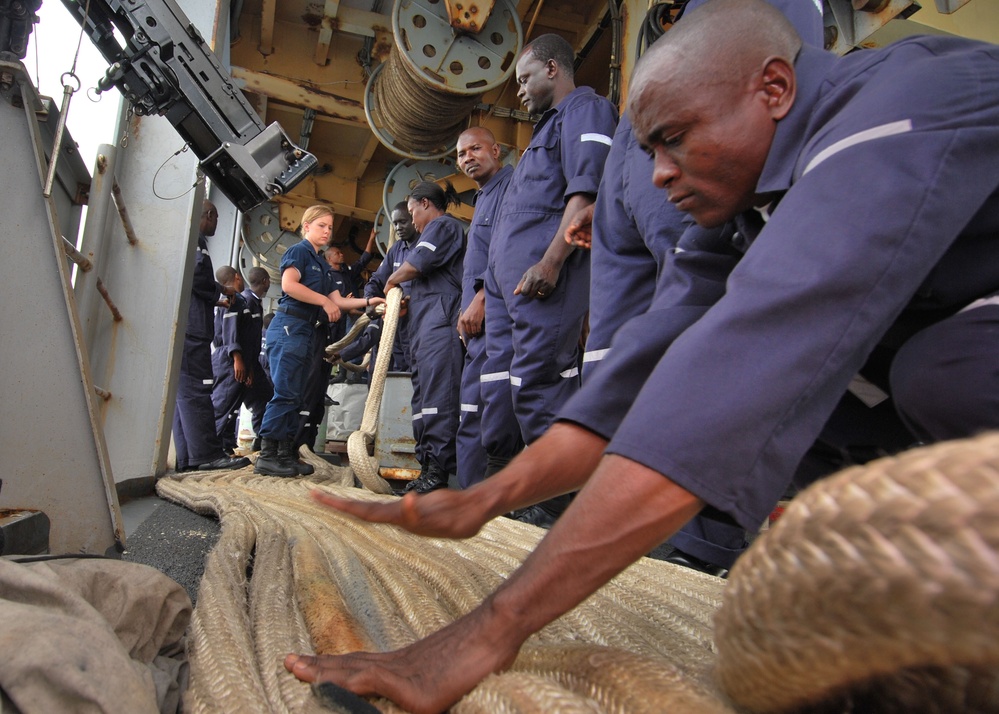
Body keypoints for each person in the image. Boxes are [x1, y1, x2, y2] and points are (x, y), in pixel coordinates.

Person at [283, 1, 999, 709]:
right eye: (649, 149)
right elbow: (651, 367)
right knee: (821, 397)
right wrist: (489, 496)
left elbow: (741, 368)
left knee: (934, 376)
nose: (656, 174)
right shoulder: (743, 207)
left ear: (773, 89)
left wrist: (487, 631)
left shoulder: (899, 105)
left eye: (675, 139)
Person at [564, 0, 824, 575]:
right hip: (642, 146)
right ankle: (615, 515)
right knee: (615, 348)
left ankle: (703, 546)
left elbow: (774, 68)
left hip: (699, 130)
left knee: (700, 330)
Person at [479, 34, 617, 523]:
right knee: (515, 381)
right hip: (512, 286)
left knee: (542, 380)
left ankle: (559, 502)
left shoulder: (586, 110)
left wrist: (553, 261)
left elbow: (586, 193)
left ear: (554, 69)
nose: (519, 90)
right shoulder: (544, 131)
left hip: (545, 281)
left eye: (525, 78)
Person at [254, 205, 383, 477]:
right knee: (286, 392)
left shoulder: (322, 264)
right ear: (306, 227)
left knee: (298, 394)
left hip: (306, 331)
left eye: (329, 227)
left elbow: (338, 300)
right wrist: (323, 301)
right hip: (290, 326)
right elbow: (289, 285)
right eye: (321, 225)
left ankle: (285, 453)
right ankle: (268, 455)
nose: (327, 231)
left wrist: (370, 301)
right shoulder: (298, 252)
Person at [385, 181, 465, 494]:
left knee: (438, 399)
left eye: (412, 211)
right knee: (421, 401)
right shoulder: (426, 233)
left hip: (439, 324)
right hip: (421, 328)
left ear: (425, 204)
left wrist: (392, 281)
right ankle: (427, 466)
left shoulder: (443, 227)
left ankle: (439, 473)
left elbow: (418, 265)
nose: (412, 219)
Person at [454, 127, 514, 488]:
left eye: (475, 149)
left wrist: (481, 299)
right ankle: (469, 493)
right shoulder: (483, 198)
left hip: (495, 319)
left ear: (497, 150)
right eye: (461, 154)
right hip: (476, 328)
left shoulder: (510, 188)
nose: (467, 158)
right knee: (472, 411)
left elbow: (509, 252)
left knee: (490, 408)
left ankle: (484, 495)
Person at [172, 200, 250, 472]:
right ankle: (205, 455)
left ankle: (186, 458)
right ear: (208, 215)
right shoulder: (198, 240)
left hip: (185, 324)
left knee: (182, 393)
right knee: (197, 390)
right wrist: (221, 291)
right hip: (193, 329)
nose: (216, 223)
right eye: (215, 217)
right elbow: (196, 276)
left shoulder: (182, 233)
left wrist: (213, 301)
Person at [210, 265, 251, 456]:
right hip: (229, 357)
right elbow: (230, 329)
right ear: (236, 277)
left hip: (228, 355)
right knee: (222, 405)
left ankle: (223, 446)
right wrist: (236, 357)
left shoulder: (234, 299)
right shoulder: (234, 299)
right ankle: (210, 450)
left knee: (230, 407)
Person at [239, 267, 273, 451]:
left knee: (265, 399)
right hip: (244, 365)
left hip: (252, 365)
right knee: (229, 405)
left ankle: (261, 440)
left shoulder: (254, 301)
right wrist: (246, 365)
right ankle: (221, 446)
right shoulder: (247, 301)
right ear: (266, 281)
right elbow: (243, 337)